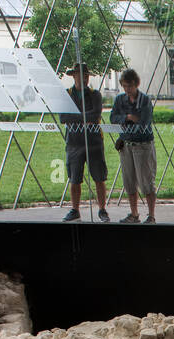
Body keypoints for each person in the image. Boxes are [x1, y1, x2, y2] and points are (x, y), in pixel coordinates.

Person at [58, 62, 108, 222]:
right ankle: (75, 209)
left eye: (86, 75)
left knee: (99, 177)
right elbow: (63, 117)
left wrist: (77, 116)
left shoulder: (95, 95)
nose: (85, 78)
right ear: (74, 76)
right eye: (81, 75)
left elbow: (96, 115)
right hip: (74, 142)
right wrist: (84, 117)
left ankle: (102, 209)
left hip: (93, 142)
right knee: (74, 178)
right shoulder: (67, 94)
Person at [110, 68, 157, 223]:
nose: (127, 90)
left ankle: (151, 215)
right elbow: (113, 118)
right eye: (124, 86)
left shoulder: (144, 100)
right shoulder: (119, 100)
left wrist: (126, 123)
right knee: (129, 181)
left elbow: (144, 121)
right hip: (126, 145)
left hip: (142, 145)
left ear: (136, 84)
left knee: (146, 181)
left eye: (129, 86)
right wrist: (128, 117)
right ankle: (134, 213)